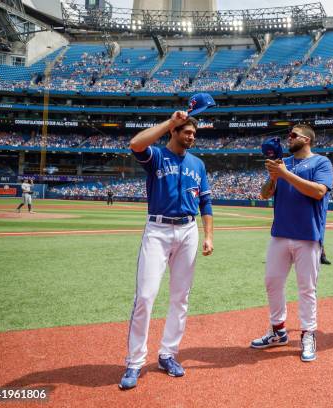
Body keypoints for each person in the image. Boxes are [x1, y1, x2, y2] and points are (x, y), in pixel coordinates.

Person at [119, 112, 214, 390]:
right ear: (174, 132)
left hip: (188, 230)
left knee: (180, 298)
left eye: (194, 134)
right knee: (145, 297)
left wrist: (208, 235)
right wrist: (169, 122)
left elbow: (205, 202)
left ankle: (168, 354)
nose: (191, 137)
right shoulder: (157, 156)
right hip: (158, 230)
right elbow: (136, 143)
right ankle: (135, 362)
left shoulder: (198, 164)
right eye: (186, 132)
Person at [250, 124, 333, 362]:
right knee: (272, 282)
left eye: (294, 135)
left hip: (308, 235)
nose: (289, 138)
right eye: (289, 135)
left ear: (306, 139)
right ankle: (278, 331)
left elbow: (318, 192)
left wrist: (285, 173)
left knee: (306, 289)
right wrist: (274, 177)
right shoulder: (282, 162)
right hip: (280, 233)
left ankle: (308, 334)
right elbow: (265, 194)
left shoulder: (321, 162)